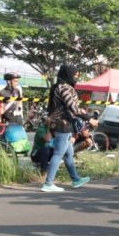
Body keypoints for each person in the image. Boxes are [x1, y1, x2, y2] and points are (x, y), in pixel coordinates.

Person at [41, 64, 95, 192]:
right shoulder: (64, 88)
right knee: (59, 153)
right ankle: (48, 183)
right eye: (75, 75)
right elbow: (72, 107)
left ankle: (75, 179)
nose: (76, 77)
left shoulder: (59, 87)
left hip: (59, 123)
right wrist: (89, 118)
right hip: (63, 124)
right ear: (68, 75)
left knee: (69, 153)